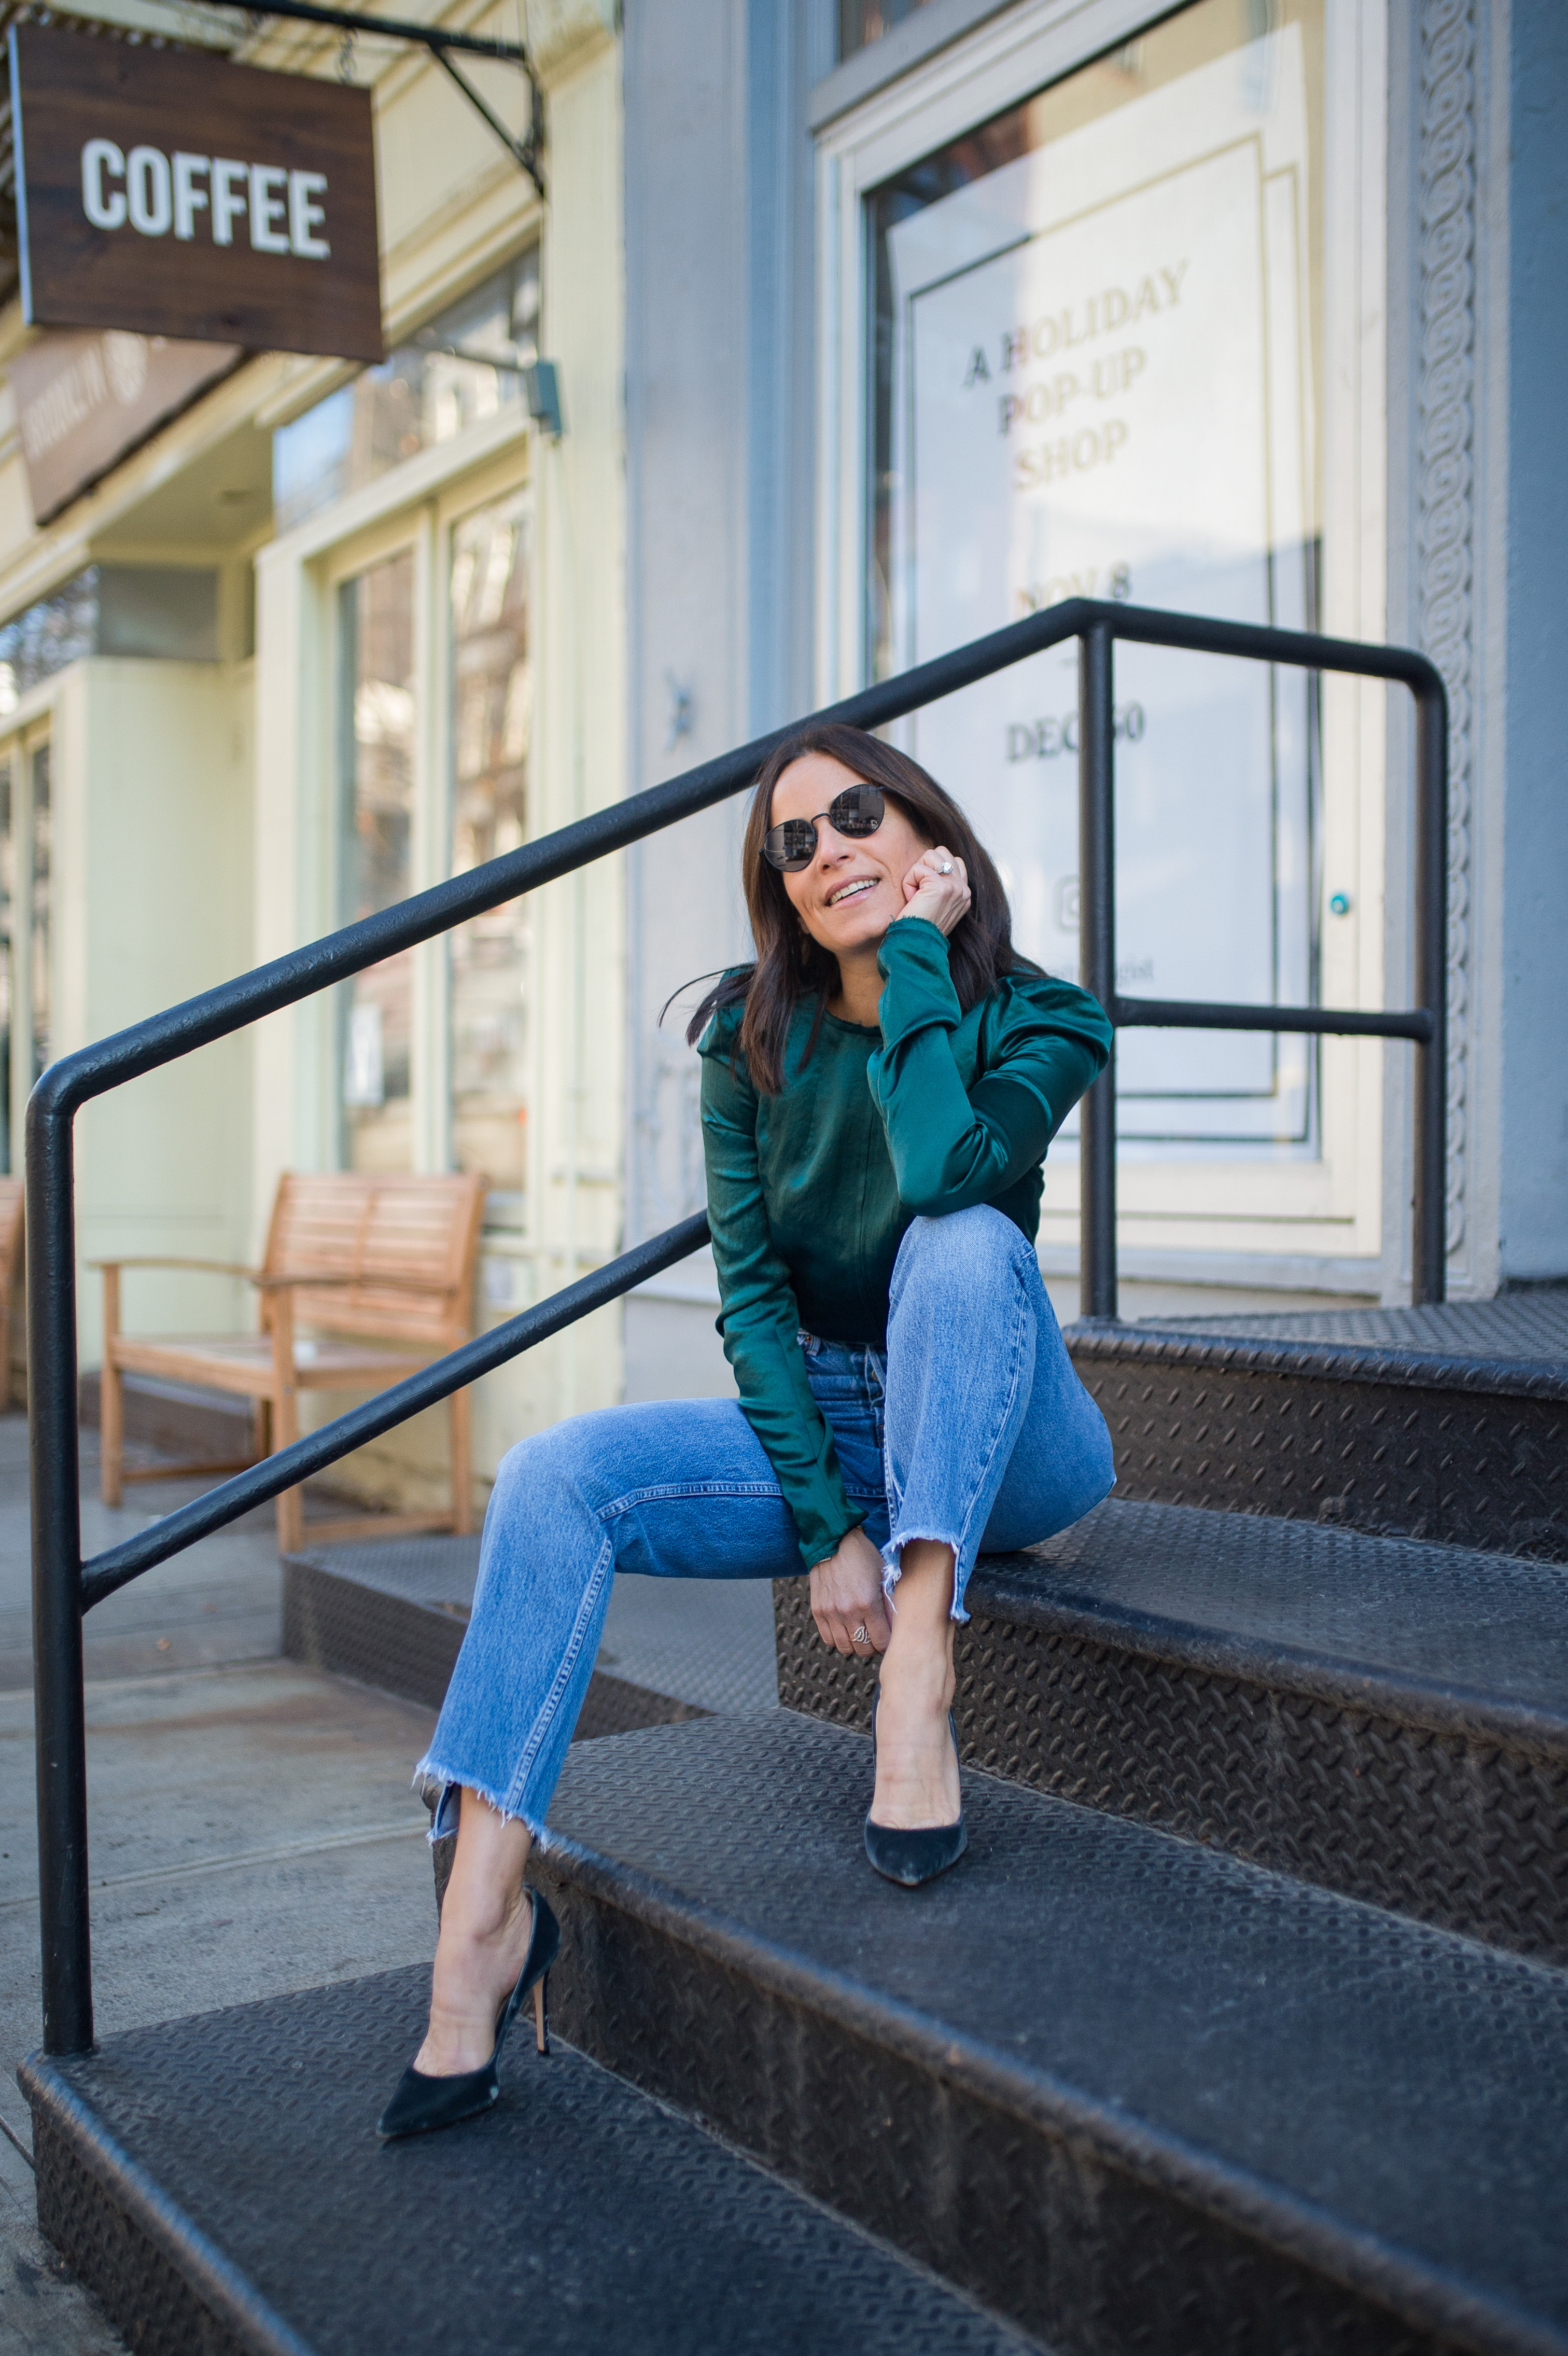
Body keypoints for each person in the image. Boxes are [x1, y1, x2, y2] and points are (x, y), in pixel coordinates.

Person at [377, 721, 1116, 2141]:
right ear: (775, 890)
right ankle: (480, 1916)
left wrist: (916, 954)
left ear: (923, 830)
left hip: (1010, 1436)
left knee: (961, 1243)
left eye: (854, 815)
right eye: (794, 844)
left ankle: (918, 1678)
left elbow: (943, 1167)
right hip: (840, 1422)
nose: (829, 849)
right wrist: (828, 1521)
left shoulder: (1045, 1014)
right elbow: (755, 1301)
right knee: (550, 1479)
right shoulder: (748, 1034)